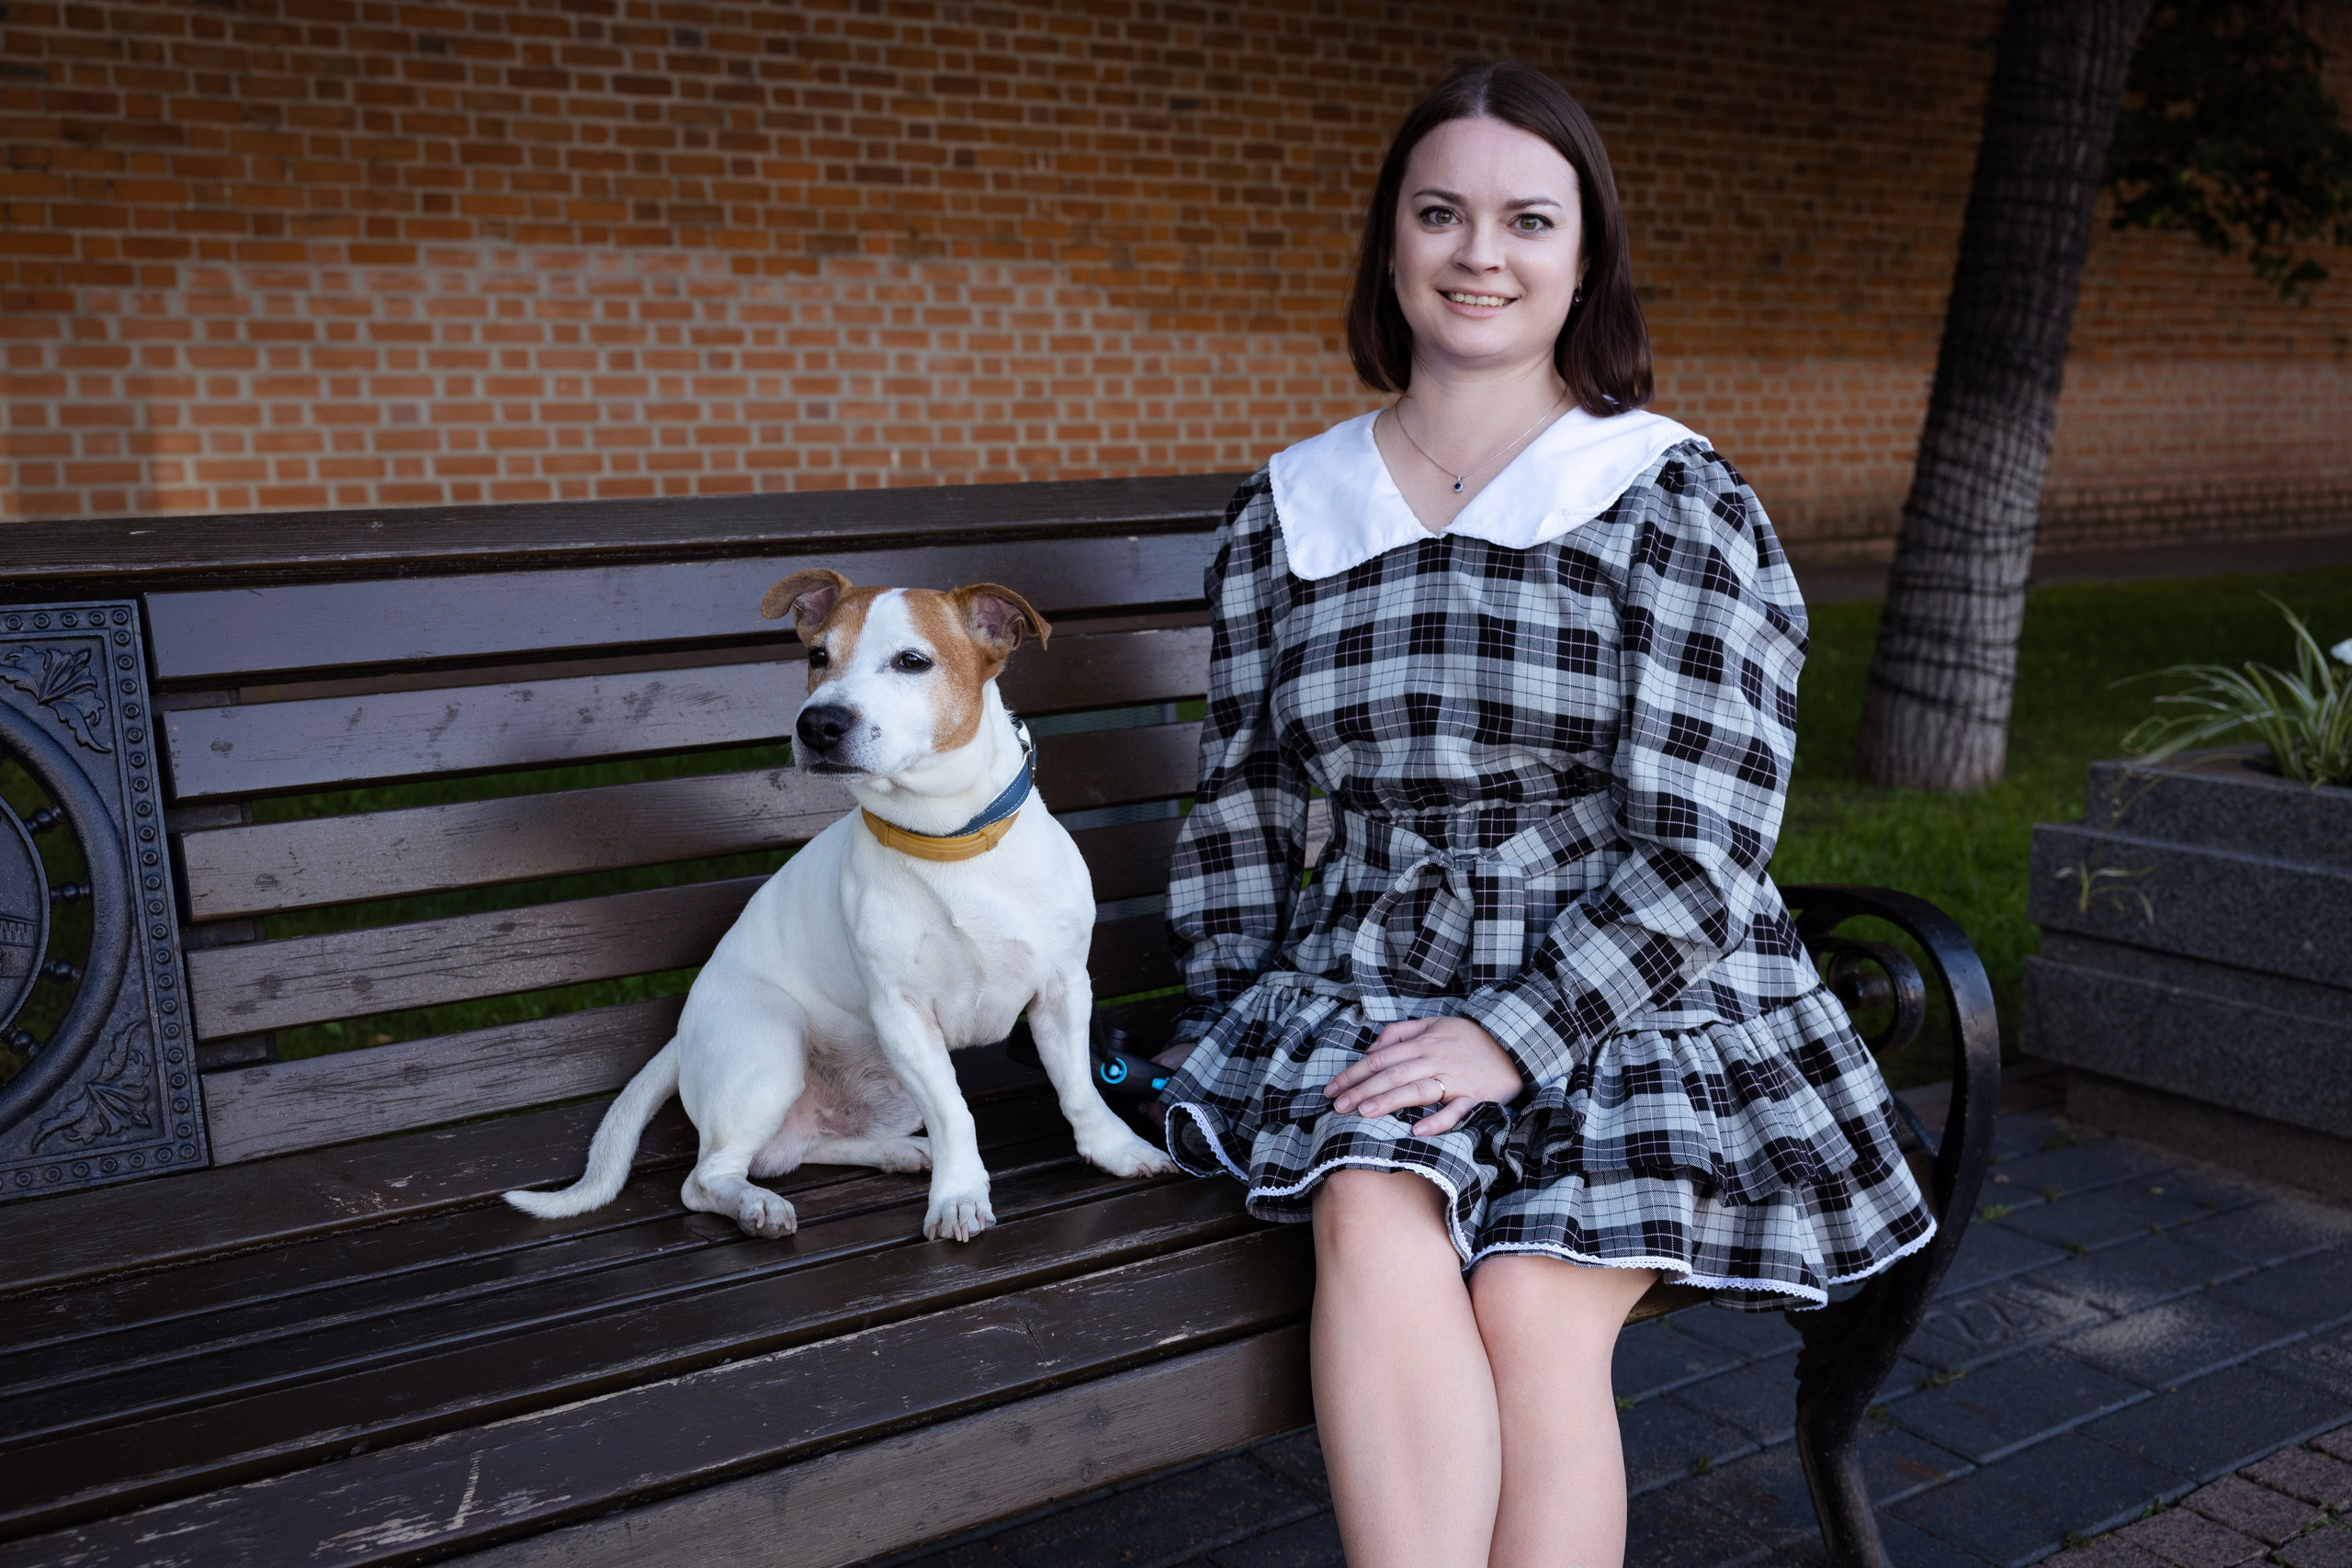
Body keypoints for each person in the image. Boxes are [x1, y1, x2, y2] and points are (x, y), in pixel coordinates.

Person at [1151, 61, 1937, 1568]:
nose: (1478, 255)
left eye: (1527, 219)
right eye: (1440, 213)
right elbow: (1245, 790)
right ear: (1391, 242)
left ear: (1585, 260)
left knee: (1530, 1297)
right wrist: (1229, 1001)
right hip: (1372, 965)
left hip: (1632, 978)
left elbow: (1706, 845)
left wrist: (1515, 1031)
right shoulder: (1294, 509)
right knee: (1369, 1194)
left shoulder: (1665, 496)